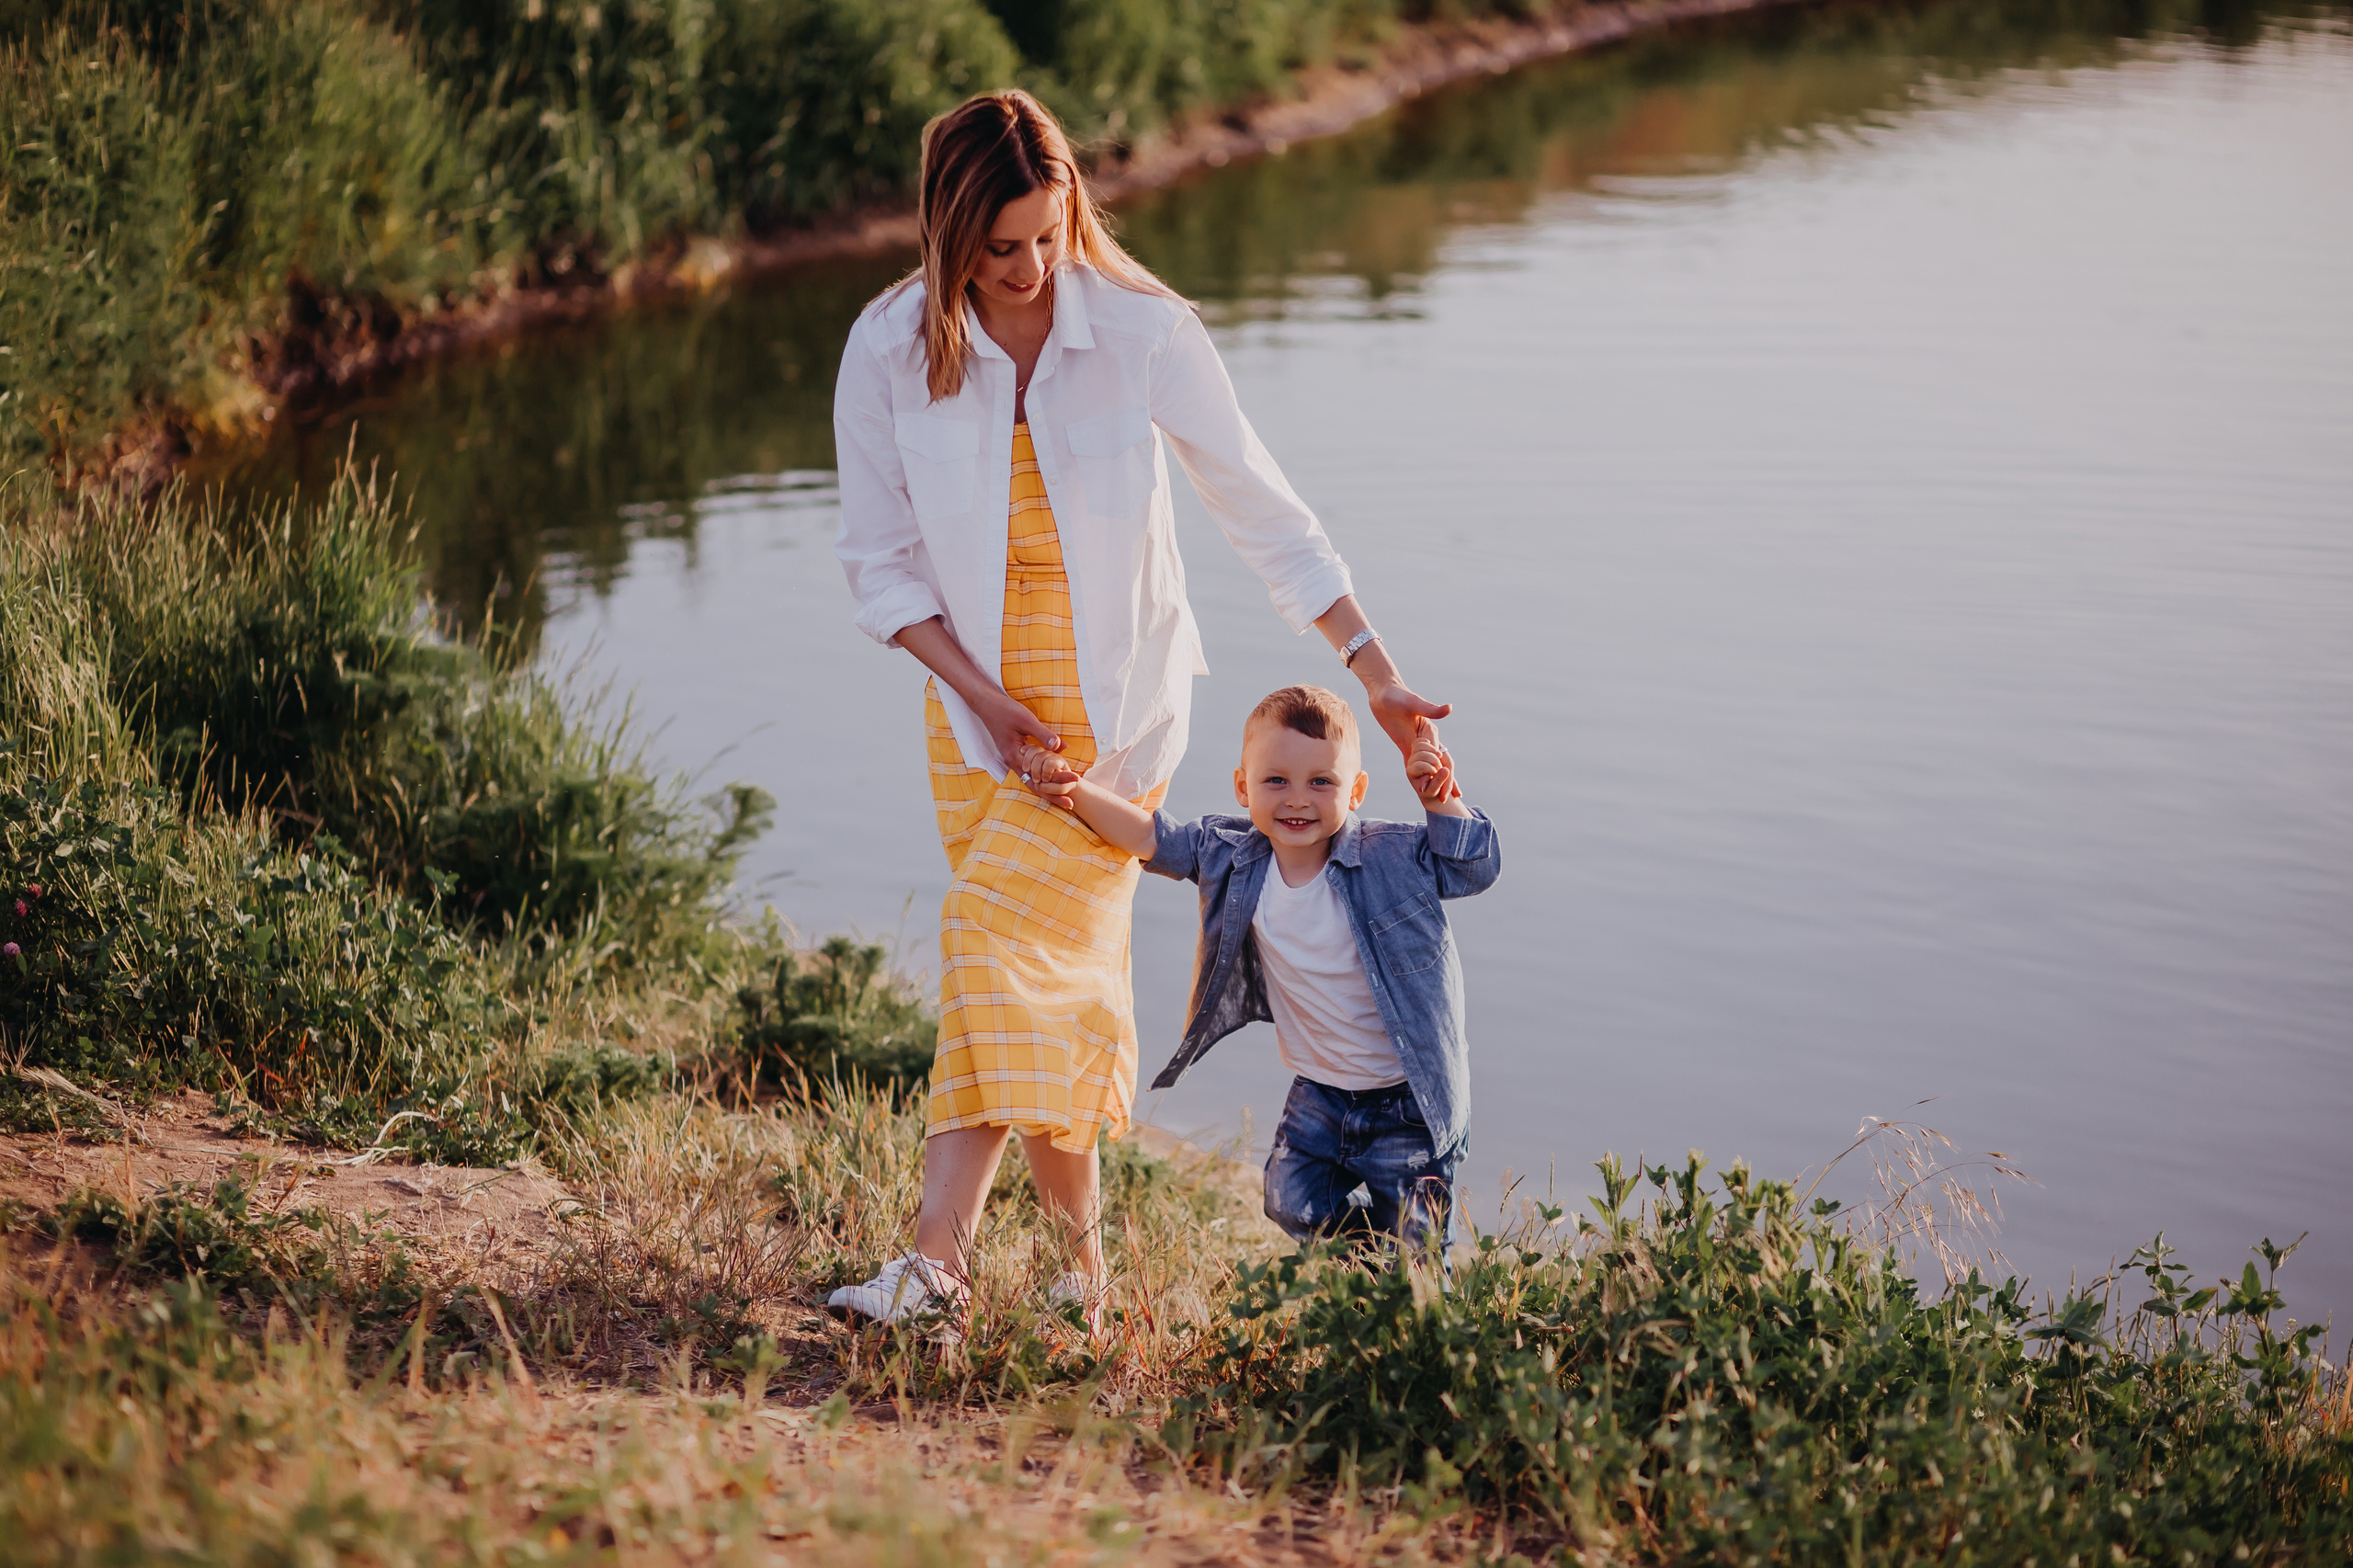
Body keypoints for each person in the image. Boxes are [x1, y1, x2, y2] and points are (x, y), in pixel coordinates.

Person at [826, 89, 1452, 1325]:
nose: (1026, 268)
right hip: (978, 721)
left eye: (1046, 237)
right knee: (1044, 980)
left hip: (1112, 730)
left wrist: (1373, 669)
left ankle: (938, 1267)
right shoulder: (889, 344)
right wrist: (984, 699)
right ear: (947, 232)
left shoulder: (1142, 332)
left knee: (988, 948)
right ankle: (1081, 1283)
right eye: (996, 248)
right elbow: (880, 563)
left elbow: (1260, 507)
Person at [1010, 687, 1498, 1255]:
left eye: (1322, 782)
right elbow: (1150, 837)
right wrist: (1072, 789)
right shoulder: (1233, 856)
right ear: (1243, 787)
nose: (1297, 800)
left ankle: (1409, 1304)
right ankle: (1372, 1274)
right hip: (1321, 1091)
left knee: (1420, 1249)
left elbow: (1472, 869)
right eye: (1276, 781)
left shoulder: (1391, 856)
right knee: (1288, 1199)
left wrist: (1440, 799)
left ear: (1357, 790)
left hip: (1408, 1100)